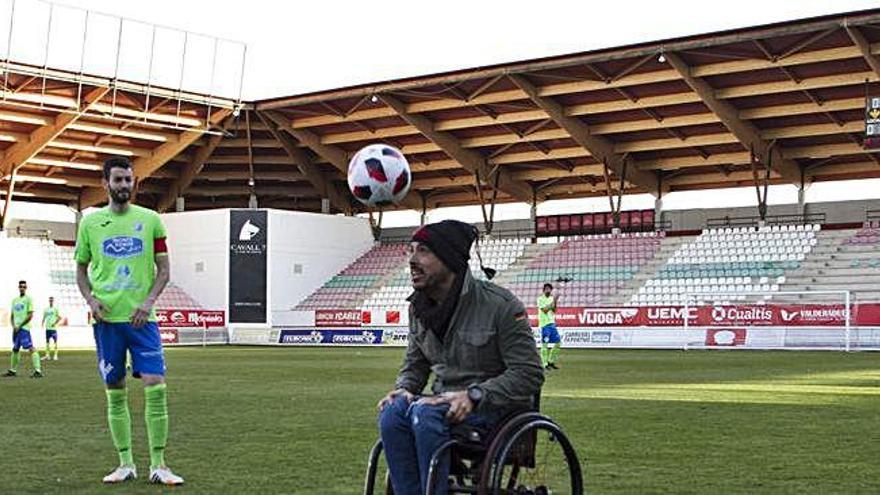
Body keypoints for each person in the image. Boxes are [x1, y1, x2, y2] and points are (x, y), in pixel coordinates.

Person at [376, 220, 544, 495]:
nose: (412, 260)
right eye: (410, 251)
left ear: (450, 258)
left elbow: (529, 374)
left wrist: (474, 395)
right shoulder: (417, 309)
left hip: (493, 411)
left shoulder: (499, 305)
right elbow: (415, 364)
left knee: (424, 412)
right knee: (393, 412)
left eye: (423, 251)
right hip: (440, 406)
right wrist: (405, 388)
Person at [74, 156, 183, 486]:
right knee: (115, 390)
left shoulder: (151, 221)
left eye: (129, 180)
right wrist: (91, 299)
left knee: (156, 386)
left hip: (142, 321)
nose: (124, 186)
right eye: (118, 180)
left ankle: (159, 464)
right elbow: (80, 268)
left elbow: (164, 270)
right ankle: (125, 464)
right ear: (105, 183)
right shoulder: (90, 224)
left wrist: (148, 302)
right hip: (108, 322)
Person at [4, 280, 43, 378]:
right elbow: (12, 316)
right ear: (18, 287)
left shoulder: (28, 299)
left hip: (24, 328)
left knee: (30, 348)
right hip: (16, 329)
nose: (22, 288)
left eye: (24, 286)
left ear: (26, 288)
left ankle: (38, 371)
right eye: (21, 286)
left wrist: (20, 326)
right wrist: (13, 326)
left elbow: (30, 315)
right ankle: (13, 370)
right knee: (15, 349)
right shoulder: (14, 300)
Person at [537, 282, 561, 369]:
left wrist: (555, 301)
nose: (548, 290)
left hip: (552, 323)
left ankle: (551, 361)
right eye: (546, 289)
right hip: (544, 324)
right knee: (545, 344)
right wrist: (554, 300)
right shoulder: (540, 299)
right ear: (543, 290)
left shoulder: (551, 298)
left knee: (558, 343)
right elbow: (545, 310)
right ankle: (544, 363)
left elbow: (554, 310)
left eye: (549, 289)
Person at [42, 296, 61, 361]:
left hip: (53, 329)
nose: (51, 301)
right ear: (49, 301)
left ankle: (55, 355)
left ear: (53, 301)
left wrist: (54, 323)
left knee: (55, 342)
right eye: (50, 300)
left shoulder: (55, 309)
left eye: (52, 300)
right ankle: (47, 355)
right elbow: (44, 317)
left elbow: (59, 317)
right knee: (47, 342)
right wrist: (42, 323)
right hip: (47, 328)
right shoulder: (46, 309)